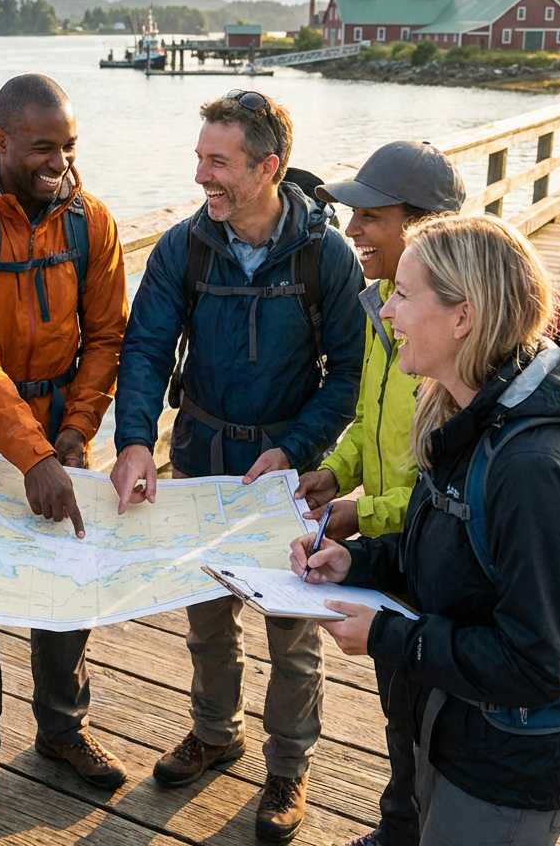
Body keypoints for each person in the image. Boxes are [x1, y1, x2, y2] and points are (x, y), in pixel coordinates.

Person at [291, 214, 560, 846]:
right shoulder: (466, 410)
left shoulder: (534, 469)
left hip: (509, 764)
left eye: (404, 297)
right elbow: (451, 550)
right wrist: (358, 562)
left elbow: (539, 662)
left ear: (463, 317)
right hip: (456, 725)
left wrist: (391, 635)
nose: (387, 315)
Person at [111, 90, 365, 843]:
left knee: (292, 628)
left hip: (285, 475)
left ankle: (289, 766)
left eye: (217, 162)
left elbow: (348, 371)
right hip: (199, 461)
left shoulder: (326, 255)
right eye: (199, 159)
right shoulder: (184, 247)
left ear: (269, 168)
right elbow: (147, 350)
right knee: (207, 619)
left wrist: (298, 448)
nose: (201, 177)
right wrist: (133, 441)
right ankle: (215, 732)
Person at [0, 74, 129, 832]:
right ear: (0, 140)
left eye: (69, 146)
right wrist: (32, 456)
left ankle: (64, 729)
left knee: (67, 594)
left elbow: (108, 335)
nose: (60, 162)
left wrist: (76, 429)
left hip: (61, 440)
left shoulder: (90, 220)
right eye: (43, 148)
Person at [296, 142, 465, 846]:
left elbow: (448, 489)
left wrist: (358, 513)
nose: (352, 228)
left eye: (371, 214)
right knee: (398, 703)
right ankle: (398, 829)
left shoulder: (457, 337)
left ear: (424, 224)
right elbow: (370, 417)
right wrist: (336, 472)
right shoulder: (384, 304)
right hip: (393, 551)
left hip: (438, 553)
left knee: (439, 717)